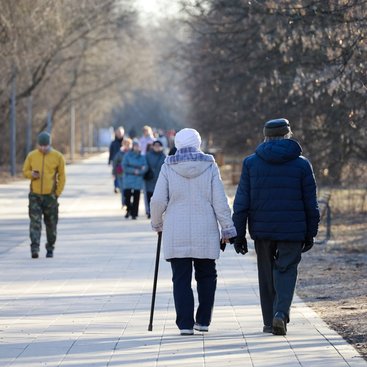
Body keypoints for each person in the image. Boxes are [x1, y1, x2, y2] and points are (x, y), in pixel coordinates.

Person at [232, 118, 320, 335]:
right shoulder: (302, 164)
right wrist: (310, 232)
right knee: (286, 269)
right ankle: (280, 313)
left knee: (265, 274)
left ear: (266, 136)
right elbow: (311, 203)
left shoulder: (251, 163)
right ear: (288, 135)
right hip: (293, 229)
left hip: (263, 229)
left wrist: (239, 234)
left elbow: (242, 202)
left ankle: (269, 322)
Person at [150, 128, 237, 335]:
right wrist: (227, 227)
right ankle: (203, 320)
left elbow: (158, 200)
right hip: (205, 229)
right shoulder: (209, 165)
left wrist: (156, 223)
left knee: (181, 278)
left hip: (176, 231)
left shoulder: (168, 166)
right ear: (198, 143)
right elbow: (220, 201)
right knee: (207, 275)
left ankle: (185, 325)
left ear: (177, 144)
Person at [22, 132, 66, 259]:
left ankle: (50, 247)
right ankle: (34, 248)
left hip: (50, 196)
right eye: (41, 145)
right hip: (35, 195)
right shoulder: (32, 155)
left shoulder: (58, 157)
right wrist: (31, 175)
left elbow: (62, 176)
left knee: (51, 224)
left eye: (45, 145)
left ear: (49, 144)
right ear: (38, 145)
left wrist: (57, 193)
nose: (43, 148)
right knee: (35, 222)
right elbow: (25, 171)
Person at [122, 139, 147, 219]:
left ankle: (134, 214)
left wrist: (139, 171)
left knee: (136, 197)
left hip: (138, 179)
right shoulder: (127, 155)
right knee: (127, 196)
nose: (137, 148)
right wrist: (134, 170)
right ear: (133, 147)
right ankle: (128, 209)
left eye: (138, 146)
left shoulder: (142, 157)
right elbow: (124, 166)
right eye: (135, 146)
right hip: (128, 179)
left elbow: (145, 167)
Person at [144, 140, 166, 218]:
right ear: (152, 146)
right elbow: (144, 165)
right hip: (149, 180)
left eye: (158, 146)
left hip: (160, 181)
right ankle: (149, 212)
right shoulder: (147, 155)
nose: (157, 147)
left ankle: (157, 213)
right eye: (155, 145)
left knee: (158, 198)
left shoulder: (164, 156)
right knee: (149, 197)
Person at [113, 138, 132, 209]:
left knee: (128, 189)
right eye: (125, 144)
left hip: (130, 174)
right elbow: (115, 163)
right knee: (122, 189)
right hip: (120, 174)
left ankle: (128, 202)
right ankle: (124, 203)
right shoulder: (119, 153)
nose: (127, 146)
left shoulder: (133, 153)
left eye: (128, 144)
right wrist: (114, 173)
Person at [108, 126, 124, 193]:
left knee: (122, 174)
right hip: (115, 161)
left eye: (120, 132)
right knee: (115, 174)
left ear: (123, 133)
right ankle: (116, 186)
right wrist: (109, 160)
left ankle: (121, 186)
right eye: (118, 132)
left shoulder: (125, 142)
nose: (119, 134)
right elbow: (111, 152)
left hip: (123, 161)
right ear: (116, 133)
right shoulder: (113, 142)